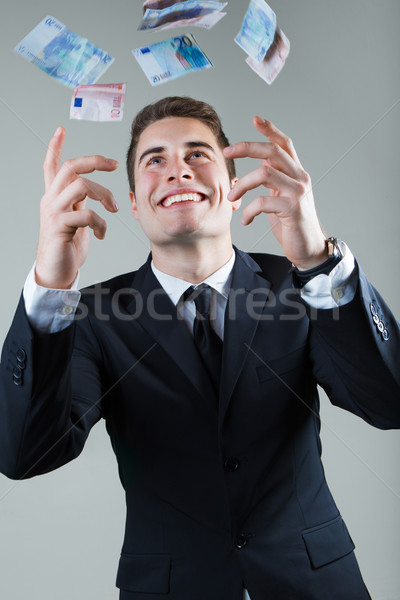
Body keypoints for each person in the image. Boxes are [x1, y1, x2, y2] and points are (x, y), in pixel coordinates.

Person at [0, 96, 399, 600]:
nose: (178, 172)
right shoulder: (93, 315)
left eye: (197, 154)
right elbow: (23, 454)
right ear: (133, 200)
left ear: (234, 191)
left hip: (316, 585)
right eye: (155, 160)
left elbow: (389, 404)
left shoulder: (300, 286)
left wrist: (320, 260)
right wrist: (49, 287)